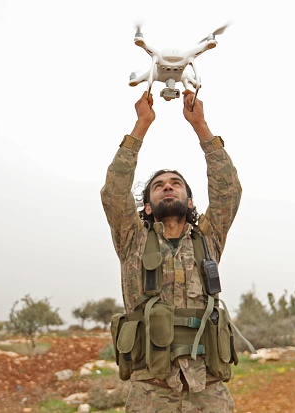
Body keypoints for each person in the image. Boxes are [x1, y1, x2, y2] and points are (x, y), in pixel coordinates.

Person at [100, 89, 242, 412]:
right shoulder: (131, 239)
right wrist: (142, 125)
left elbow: (228, 191)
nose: (167, 186)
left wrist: (200, 126)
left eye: (175, 183)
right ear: (147, 207)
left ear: (189, 202)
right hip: (151, 388)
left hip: (207, 386)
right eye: (159, 185)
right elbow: (114, 192)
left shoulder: (208, 237)